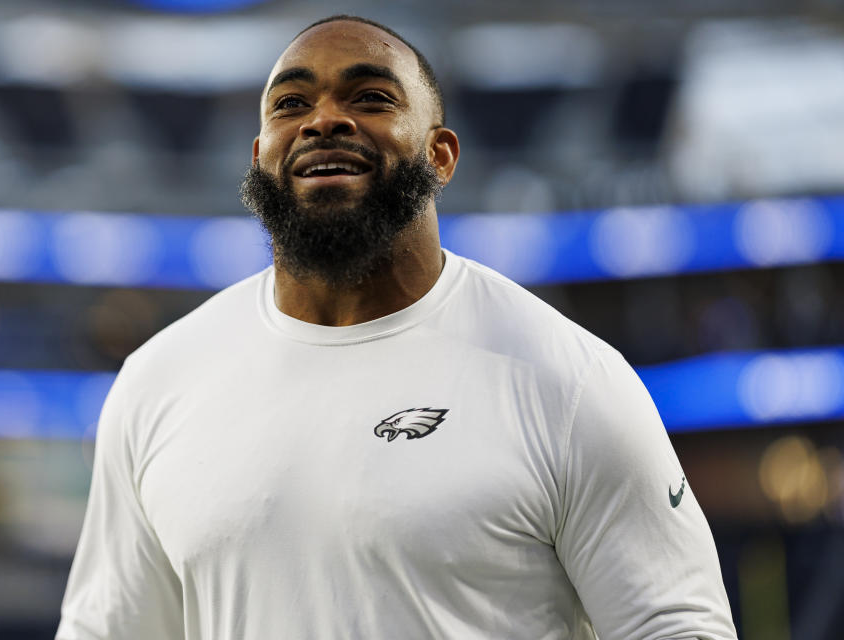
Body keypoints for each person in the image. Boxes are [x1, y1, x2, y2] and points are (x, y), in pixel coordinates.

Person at [57, 15, 737, 640]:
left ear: (441, 154)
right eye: (292, 104)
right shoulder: (159, 382)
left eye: (371, 98)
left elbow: (677, 626)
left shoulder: (568, 381)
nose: (324, 120)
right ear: (259, 154)